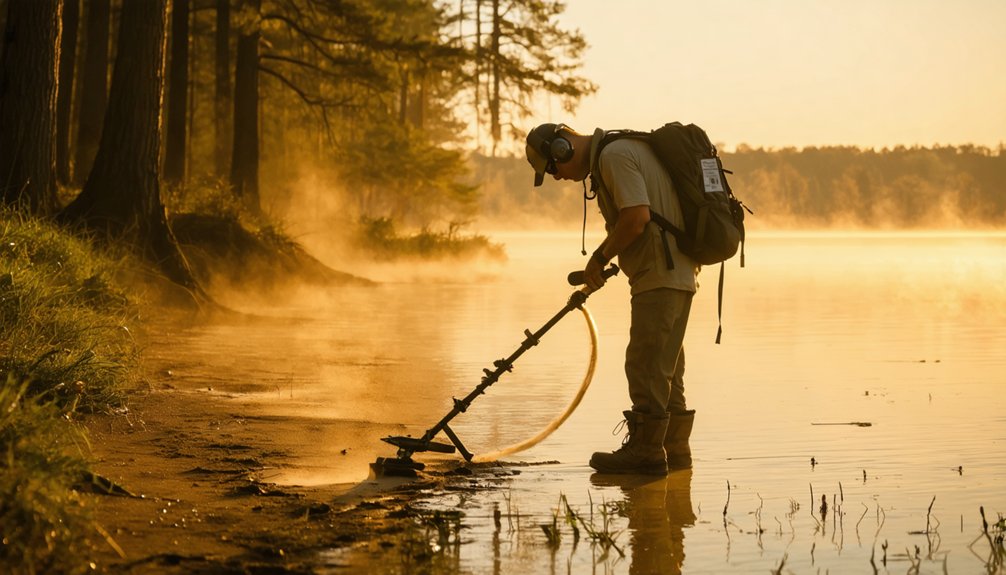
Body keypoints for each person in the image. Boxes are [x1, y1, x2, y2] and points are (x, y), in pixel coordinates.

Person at [524, 122, 698, 475]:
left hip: (660, 274)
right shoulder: (619, 153)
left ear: (563, 147)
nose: (556, 177)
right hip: (676, 273)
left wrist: (599, 258)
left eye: (553, 167)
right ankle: (675, 455)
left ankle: (646, 454)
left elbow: (636, 218)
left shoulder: (615, 156)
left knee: (645, 364)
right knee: (666, 371)